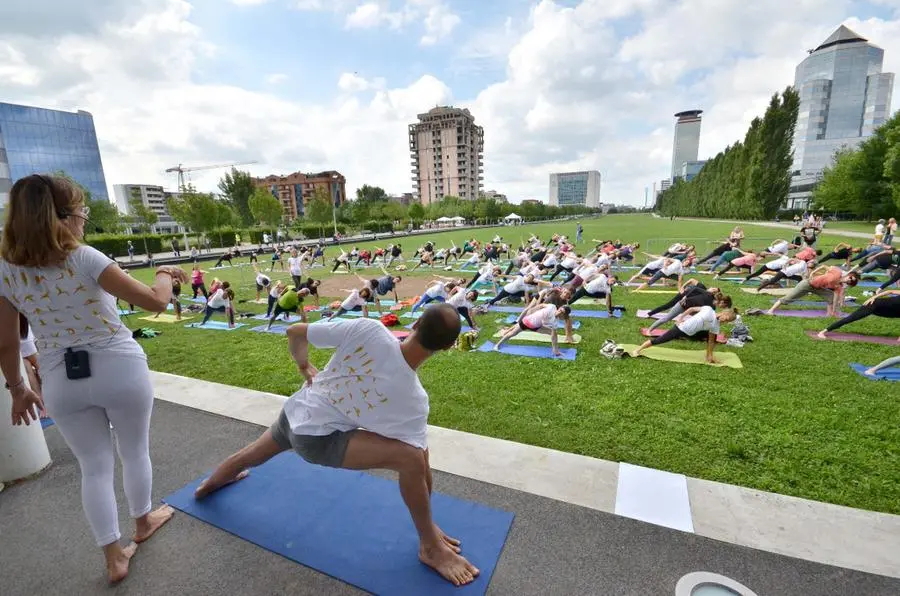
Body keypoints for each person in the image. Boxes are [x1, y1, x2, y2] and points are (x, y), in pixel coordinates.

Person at [193, 307, 479, 586]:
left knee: (251, 455)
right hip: (316, 441)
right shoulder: (413, 400)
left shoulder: (370, 329)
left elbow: (295, 332)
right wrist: (428, 525)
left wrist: (303, 365)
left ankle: (208, 486)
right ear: (446, 347)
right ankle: (429, 547)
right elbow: (420, 461)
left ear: (415, 324)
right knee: (411, 458)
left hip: (294, 411)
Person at [0, 174, 184, 582]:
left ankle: (113, 557)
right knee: (134, 451)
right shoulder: (84, 257)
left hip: (59, 379)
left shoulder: (5, 270)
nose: (84, 220)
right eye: (82, 212)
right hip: (119, 367)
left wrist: (18, 390)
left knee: (94, 468)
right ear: (62, 217)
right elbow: (155, 300)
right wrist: (166, 274)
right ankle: (143, 522)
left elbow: (7, 344)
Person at [632, 306, 738, 364]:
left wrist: (710, 355)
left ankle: (709, 356)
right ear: (724, 313)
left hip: (693, 334)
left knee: (712, 338)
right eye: (726, 318)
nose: (724, 321)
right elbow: (691, 309)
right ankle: (638, 350)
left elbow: (711, 341)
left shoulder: (716, 325)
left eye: (727, 322)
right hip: (680, 329)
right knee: (660, 340)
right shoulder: (708, 309)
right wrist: (680, 318)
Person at [767, 266, 860, 317]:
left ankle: (829, 314)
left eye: (851, 281)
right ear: (849, 275)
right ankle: (771, 310)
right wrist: (813, 272)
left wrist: (835, 309)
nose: (849, 280)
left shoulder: (839, 286)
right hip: (807, 284)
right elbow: (824, 266)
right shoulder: (837, 272)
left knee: (831, 297)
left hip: (818, 288)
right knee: (789, 298)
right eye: (851, 278)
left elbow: (835, 298)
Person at [493, 302, 571, 357]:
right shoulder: (552, 307)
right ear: (559, 308)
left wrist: (555, 349)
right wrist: (532, 310)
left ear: (564, 315)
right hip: (527, 322)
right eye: (560, 310)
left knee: (554, 333)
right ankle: (497, 345)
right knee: (513, 333)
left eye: (562, 313)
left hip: (536, 327)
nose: (559, 312)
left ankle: (555, 351)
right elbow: (541, 305)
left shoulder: (555, 322)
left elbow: (553, 337)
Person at [646, 282, 731, 332]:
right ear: (720, 302)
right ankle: (649, 330)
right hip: (683, 305)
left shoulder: (713, 307)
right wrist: (685, 297)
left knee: (699, 321)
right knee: (666, 318)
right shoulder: (708, 294)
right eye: (723, 306)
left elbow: (711, 316)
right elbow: (695, 289)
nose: (721, 307)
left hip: (692, 310)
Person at [818, 290, 900, 339]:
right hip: (873, 305)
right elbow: (889, 291)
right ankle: (823, 332)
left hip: (886, 310)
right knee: (850, 319)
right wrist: (873, 297)